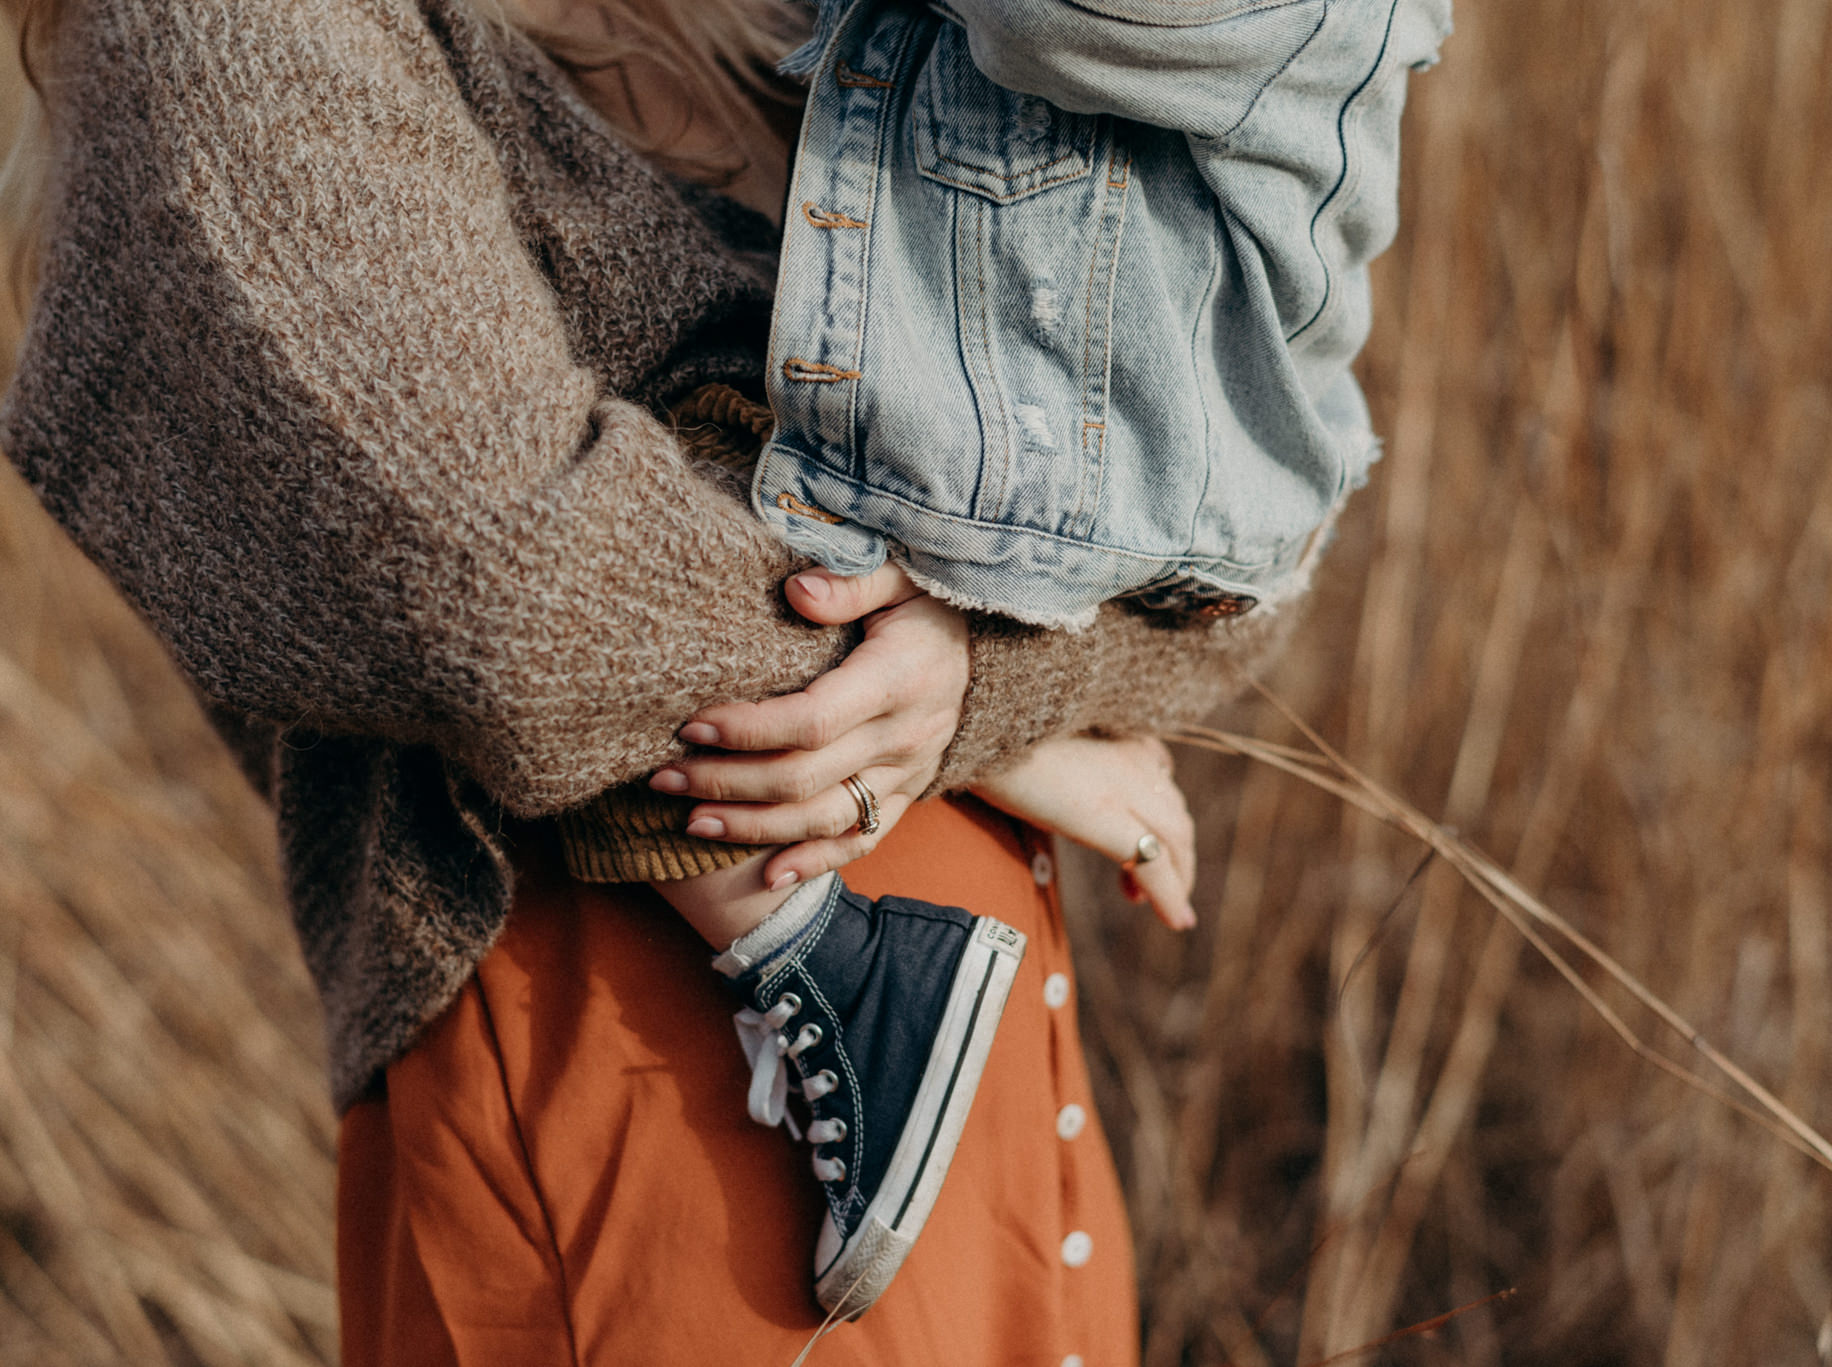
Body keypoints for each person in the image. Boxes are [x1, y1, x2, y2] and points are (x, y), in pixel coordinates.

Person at [0, 0, 1317, 1358]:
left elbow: (1236, 535)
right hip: (648, 1111)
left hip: (1002, 1082)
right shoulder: (221, 27)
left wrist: (994, 672)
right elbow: (493, 588)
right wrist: (981, 718)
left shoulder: (807, 18)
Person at [548, 0, 1448, 1316]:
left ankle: (817, 953)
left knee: (700, 456)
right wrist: (1013, 724)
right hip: (673, 1067)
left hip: (714, 1063)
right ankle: (823, 952)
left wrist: (989, 702)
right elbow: (484, 579)